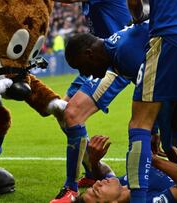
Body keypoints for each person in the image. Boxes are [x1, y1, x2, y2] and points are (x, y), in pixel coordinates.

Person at [64, 2, 177, 201]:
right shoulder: (118, 50)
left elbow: (159, 95)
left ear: (89, 54)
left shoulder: (124, 54)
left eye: (80, 67)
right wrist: (158, 132)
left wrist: (163, 134)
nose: (83, 73)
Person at [50, 1, 132, 202]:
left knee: (72, 113)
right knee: (62, 110)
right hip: (96, 58)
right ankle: (92, 170)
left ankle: (71, 188)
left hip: (115, 59)